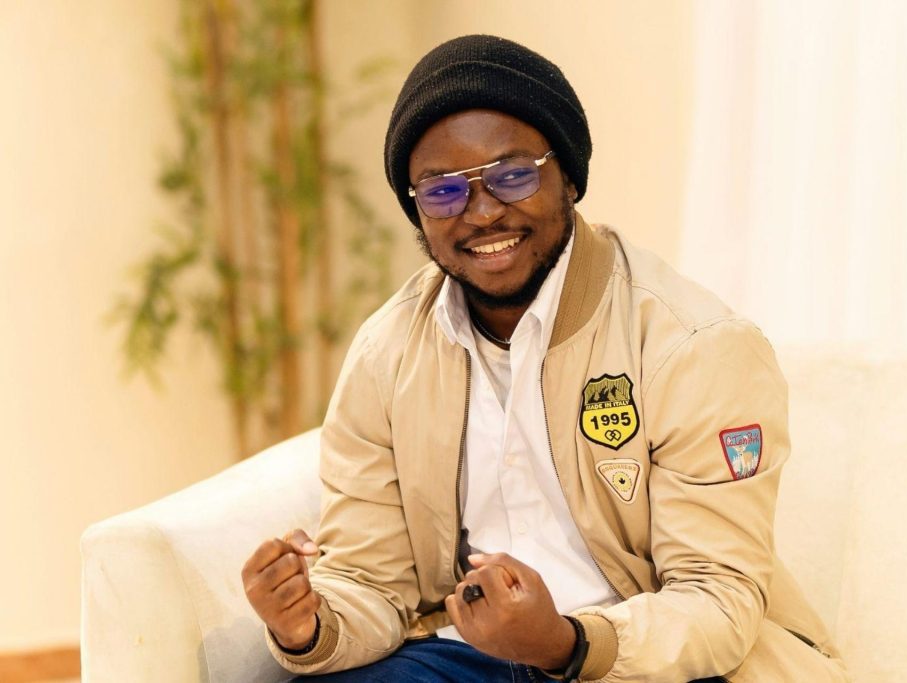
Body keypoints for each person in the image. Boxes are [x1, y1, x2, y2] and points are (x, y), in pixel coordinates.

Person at [241, 34, 850, 682]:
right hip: (467, 655)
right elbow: (371, 578)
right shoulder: (386, 355)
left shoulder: (693, 346)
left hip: (638, 659)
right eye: (443, 191)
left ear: (566, 175)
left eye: (511, 175)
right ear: (415, 207)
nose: (480, 213)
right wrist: (307, 622)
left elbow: (717, 600)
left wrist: (562, 640)